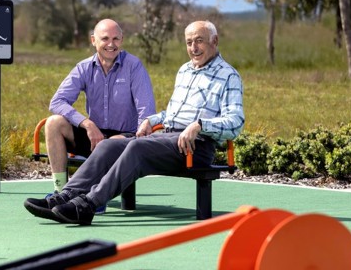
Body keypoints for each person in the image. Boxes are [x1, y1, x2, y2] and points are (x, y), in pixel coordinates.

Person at [23, 20, 244, 225]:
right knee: (108, 145)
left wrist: (199, 125)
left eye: (199, 41)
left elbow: (235, 122)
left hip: (195, 146)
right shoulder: (185, 70)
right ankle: (64, 196)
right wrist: (151, 120)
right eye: (189, 42)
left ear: (214, 41)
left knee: (137, 145)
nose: (194, 48)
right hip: (167, 137)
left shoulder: (228, 76)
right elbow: (173, 114)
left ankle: (88, 205)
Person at [38, 18, 156, 204]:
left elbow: (146, 112)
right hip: (94, 135)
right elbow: (57, 101)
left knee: (107, 145)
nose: (111, 44)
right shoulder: (84, 68)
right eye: (105, 38)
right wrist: (87, 123)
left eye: (116, 39)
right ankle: (61, 192)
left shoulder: (134, 66)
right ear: (93, 40)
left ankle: (92, 198)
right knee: (53, 123)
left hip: (125, 137)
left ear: (122, 40)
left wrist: (136, 139)